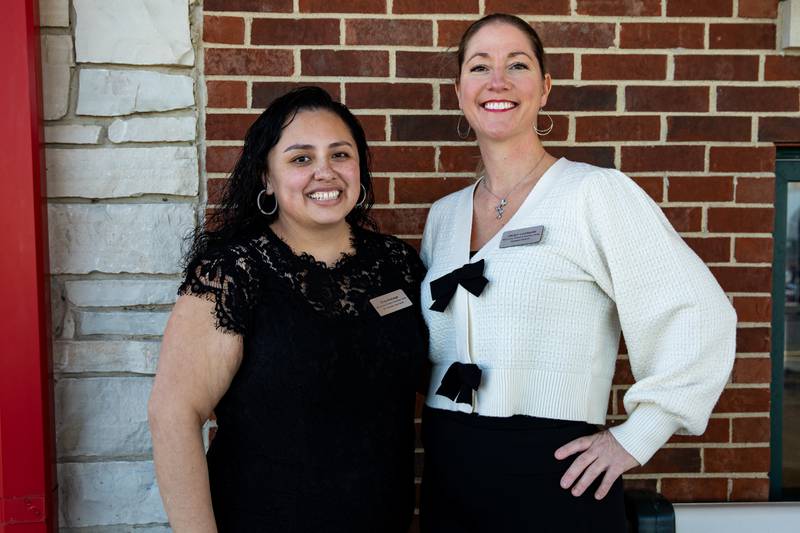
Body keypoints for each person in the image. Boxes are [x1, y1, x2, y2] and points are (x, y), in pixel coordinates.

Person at [418, 13, 737, 532]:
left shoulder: (595, 195)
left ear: (544, 88)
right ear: (459, 91)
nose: (497, 81)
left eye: (516, 65)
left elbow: (698, 314)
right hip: (452, 468)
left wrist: (640, 435)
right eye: (480, 67)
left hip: (559, 471)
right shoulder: (444, 216)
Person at [148, 87, 428, 532]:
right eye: (301, 159)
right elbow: (173, 415)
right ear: (267, 177)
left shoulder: (396, 265)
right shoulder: (235, 272)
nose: (325, 172)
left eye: (340, 154)